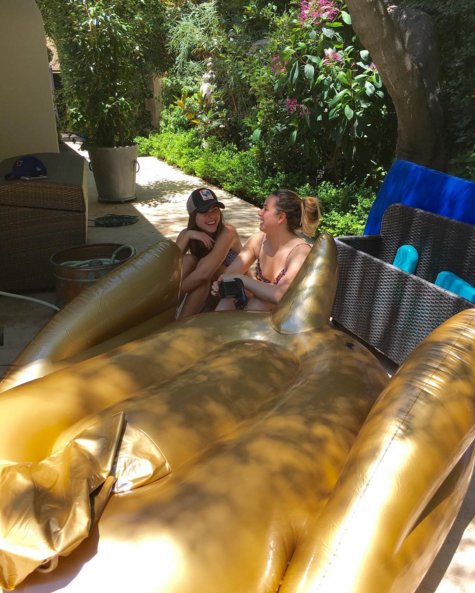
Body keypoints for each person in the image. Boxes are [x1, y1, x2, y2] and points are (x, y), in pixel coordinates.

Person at [212, 189, 321, 311]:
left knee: (257, 304)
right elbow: (230, 274)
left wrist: (241, 278)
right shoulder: (257, 241)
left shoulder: (300, 252)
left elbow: (280, 295)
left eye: (265, 209)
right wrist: (221, 283)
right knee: (228, 299)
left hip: (290, 314)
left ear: (281, 217)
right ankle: (215, 323)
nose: (260, 212)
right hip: (260, 308)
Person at [176, 187, 242, 318]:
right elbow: (170, 267)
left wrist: (169, 295)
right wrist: (188, 234)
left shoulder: (228, 232)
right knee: (188, 260)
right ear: (193, 215)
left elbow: (203, 274)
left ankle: (178, 324)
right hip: (212, 294)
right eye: (204, 212)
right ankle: (167, 316)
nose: (212, 216)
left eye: (215, 210)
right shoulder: (188, 234)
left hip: (237, 295)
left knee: (204, 274)